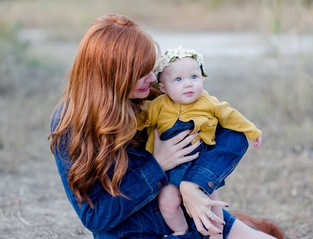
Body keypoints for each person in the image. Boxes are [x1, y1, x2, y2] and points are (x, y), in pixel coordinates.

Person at [48, 14, 276, 238]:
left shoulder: (153, 96)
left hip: (192, 218)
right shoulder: (72, 124)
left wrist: (192, 184)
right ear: (112, 76)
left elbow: (233, 134)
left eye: (151, 67)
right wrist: (158, 164)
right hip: (136, 232)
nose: (151, 77)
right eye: (139, 73)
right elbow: (95, 217)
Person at [137, 46, 262, 237]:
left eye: (194, 77)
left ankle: (216, 233)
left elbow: (230, 116)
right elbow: (140, 120)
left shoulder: (208, 102)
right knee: (167, 202)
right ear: (163, 88)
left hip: (199, 166)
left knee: (210, 199)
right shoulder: (158, 106)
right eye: (178, 80)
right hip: (170, 172)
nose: (188, 84)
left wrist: (252, 131)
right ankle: (181, 230)